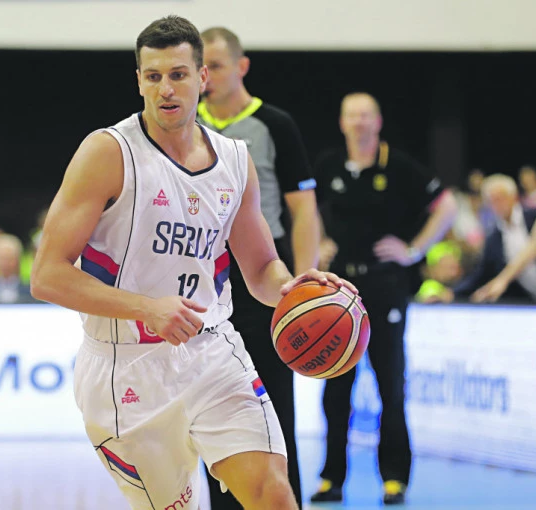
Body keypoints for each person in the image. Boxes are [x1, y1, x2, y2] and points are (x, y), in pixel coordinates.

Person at [30, 16, 355, 510]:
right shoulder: (108, 152)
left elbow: (261, 268)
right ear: (139, 80)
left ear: (202, 78)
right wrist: (147, 308)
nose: (166, 88)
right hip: (125, 369)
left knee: (274, 493)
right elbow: (47, 276)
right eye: (154, 76)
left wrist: (295, 290)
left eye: (178, 74)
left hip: (212, 352)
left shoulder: (235, 159)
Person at [312, 92, 457, 505]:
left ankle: (394, 479)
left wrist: (413, 250)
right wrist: (319, 241)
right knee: (335, 388)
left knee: (390, 385)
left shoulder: (399, 165)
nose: (358, 122)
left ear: (377, 122)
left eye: (365, 115)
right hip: (339, 290)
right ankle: (331, 478)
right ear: (342, 122)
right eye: (351, 115)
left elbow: (446, 205)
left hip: (384, 286)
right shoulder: (328, 165)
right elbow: (305, 207)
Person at [196, 26, 319, 510]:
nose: (207, 76)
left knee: (273, 411)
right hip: (205, 278)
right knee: (210, 413)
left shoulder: (274, 124)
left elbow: (304, 209)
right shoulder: (186, 122)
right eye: (202, 68)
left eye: (216, 66)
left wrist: (303, 285)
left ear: (242, 67)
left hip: (263, 275)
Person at [454, 174, 536, 302]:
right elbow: (481, 274)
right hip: (535, 300)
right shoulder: (493, 237)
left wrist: (502, 280)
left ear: (514, 196)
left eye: (501, 198)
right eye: (492, 200)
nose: (497, 204)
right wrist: (452, 293)